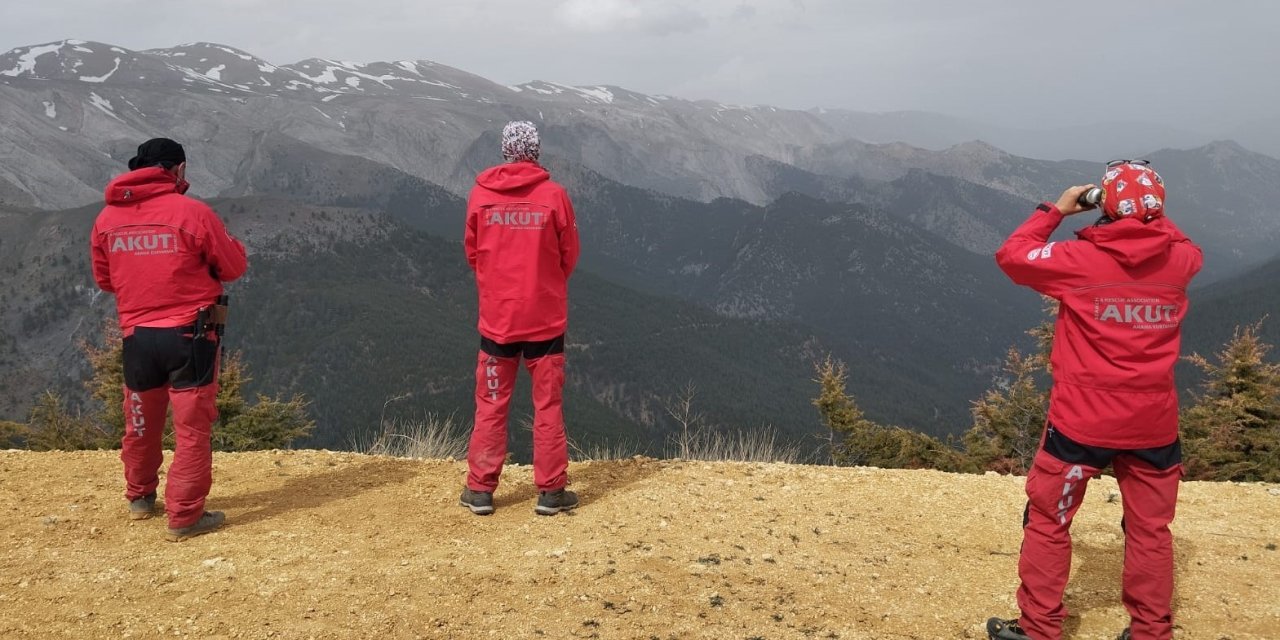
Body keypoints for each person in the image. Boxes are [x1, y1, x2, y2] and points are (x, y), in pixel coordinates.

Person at [985, 161, 1202, 640]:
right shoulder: (1182, 261)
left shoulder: (1078, 261)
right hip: (1153, 425)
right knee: (1149, 531)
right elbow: (1181, 241)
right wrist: (1146, 212)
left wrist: (1058, 209)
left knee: (1049, 519)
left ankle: (1040, 628)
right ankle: (1150, 631)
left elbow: (1012, 254)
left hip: (1080, 424)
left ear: (1103, 205)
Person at [90, 138, 248, 541]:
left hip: (137, 336)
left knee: (140, 422)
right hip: (190, 335)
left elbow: (105, 280)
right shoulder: (192, 212)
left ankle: (140, 498)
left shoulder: (106, 219)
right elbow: (232, 266)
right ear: (177, 170)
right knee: (192, 428)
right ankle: (184, 516)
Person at [460, 121, 581, 516]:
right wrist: (544, 283)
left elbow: (473, 253)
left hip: (498, 319)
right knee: (547, 405)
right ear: (536, 150)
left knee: (492, 402)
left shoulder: (481, 196)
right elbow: (569, 255)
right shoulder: (554, 196)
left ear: (505, 150)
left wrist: (496, 285)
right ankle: (550, 492)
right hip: (545, 319)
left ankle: (480, 489)